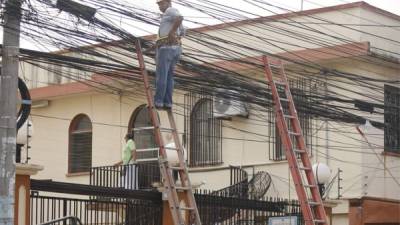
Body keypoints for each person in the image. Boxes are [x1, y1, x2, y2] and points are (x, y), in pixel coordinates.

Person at [154, 0, 185, 110]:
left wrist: (171, 32)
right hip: (175, 48)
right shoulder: (169, 17)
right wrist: (173, 35)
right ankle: (167, 103)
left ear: (168, 3)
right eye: (158, 4)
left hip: (166, 49)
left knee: (161, 76)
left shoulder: (170, 10)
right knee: (169, 77)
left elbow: (180, 17)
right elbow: (183, 31)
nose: (159, 6)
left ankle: (158, 102)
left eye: (161, 4)